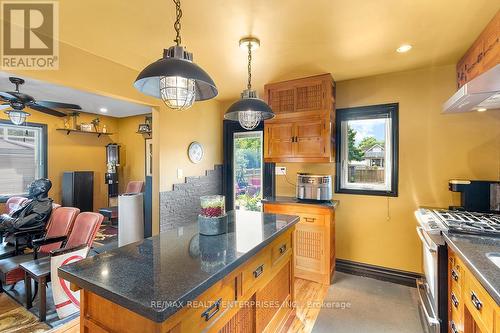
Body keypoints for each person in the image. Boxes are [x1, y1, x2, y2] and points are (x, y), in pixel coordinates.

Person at [0, 178, 53, 246]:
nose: (29, 188)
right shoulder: (34, 202)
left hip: (22, 239)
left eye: (33, 186)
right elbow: (16, 216)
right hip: (12, 235)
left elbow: (18, 224)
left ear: (43, 189)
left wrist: (5, 217)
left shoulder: (43, 207)